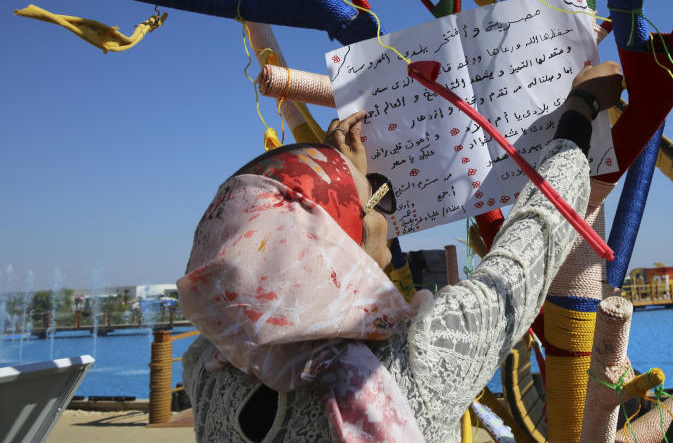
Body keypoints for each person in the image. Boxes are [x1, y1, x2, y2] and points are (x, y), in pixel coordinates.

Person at [179, 61, 624, 443]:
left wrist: (344, 182)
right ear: (335, 250)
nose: (385, 219)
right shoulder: (413, 362)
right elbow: (532, 245)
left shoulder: (208, 368)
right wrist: (580, 110)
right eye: (377, 200)